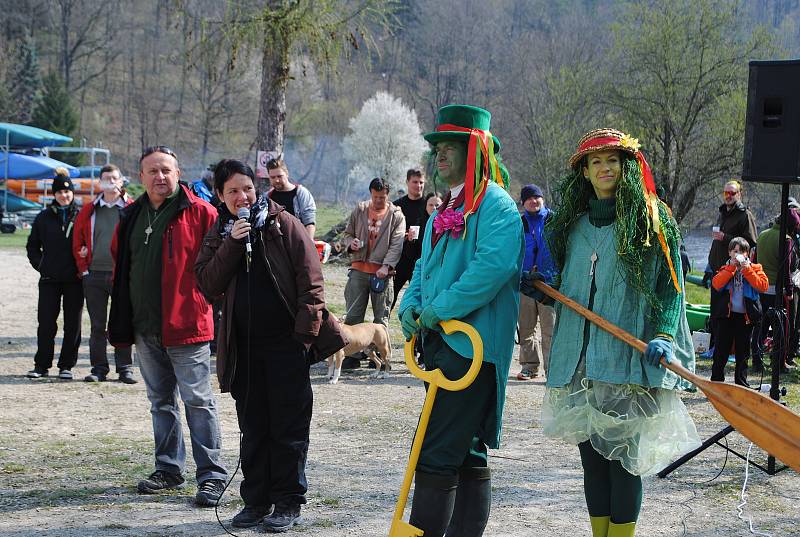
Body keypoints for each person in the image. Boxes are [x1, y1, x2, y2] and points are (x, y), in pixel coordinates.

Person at [522, 129, 700, 537]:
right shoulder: (572, 227)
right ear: (584, 172)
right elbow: (575, 294)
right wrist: (545, 294)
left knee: (623, 461)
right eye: (596, 161)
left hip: (627, 364)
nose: (604, 168)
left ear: (627, 167)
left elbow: (671, 289)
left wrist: (665, 336)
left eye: (612, 160)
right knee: (592, 462)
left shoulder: (652, 221)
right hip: (579, 363)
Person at [195, 159, 345, 531]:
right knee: (254, 427)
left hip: (286, 346)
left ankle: (288, 502)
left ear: (256, 187)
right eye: (232, 191)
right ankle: (256, 502)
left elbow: (312, 284)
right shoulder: (220, 233)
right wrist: (232, 244)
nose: (241, 196)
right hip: (244, 350)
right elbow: (207, 284)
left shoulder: (284, 223)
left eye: (246, 188)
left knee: (288, 428)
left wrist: (304, 337)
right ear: (220, 196)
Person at [398, 104, 523, 537]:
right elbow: (421, 268)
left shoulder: (498, 207)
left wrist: (439, 309)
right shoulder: (439, 211)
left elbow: (492, 269)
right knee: (467, 450)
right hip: (441, 344)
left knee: (433, 452)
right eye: (438, 150)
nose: (441, 157)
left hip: (473, 347)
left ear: (477, 152)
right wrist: (409, 306)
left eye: (452, 148)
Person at [107, 146, 228, 507]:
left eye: (166, 171)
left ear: (178, 173)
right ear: (140, 176)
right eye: (152, 171)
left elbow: (221, 265)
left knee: (198, 401)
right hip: (146, 327)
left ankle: (211, 476)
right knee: (160, 402)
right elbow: (120, 262)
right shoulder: (131, 216)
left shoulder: (202, 213)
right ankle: (169, 469)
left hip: (188, 326)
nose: (160, 177)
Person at [72, 164, 137, 383]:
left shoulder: (131, 208)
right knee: (97, 326)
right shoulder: (89, 210)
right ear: (100, 182)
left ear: (121, 181)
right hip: (95, 275)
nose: (110, 181)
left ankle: (125, 368)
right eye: (106, 177)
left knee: (122, 321)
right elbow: (77, 241)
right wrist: (84, 269)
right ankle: (99, 368)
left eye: (114, 178)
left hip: (121, 276)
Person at [340, 177, 405, 369]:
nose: (379, 201)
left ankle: (380, 358)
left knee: (381, 318)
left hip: (382, 274)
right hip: (359, 270)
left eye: (383, 197)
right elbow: (347, 234)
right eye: (376, 197)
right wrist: (350, 243)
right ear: (370, 194)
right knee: (352, 317)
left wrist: (387, 266)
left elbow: (397, 243)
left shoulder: (396, 216)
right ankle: (352, 354)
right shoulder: (359, 210)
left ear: (388, 195)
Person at [25, 170, 83, 380]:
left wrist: (82, 266)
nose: (63, 195)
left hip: (74, 280)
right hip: (49, 279)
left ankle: (66, 365)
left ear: (72, 193)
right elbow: (32, 246)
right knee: (47, 323)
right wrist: (41, 266)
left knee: (73, 324)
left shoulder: (82, 215)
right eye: (59, 192)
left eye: (67, 191)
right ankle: (41, 365)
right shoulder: (44, 217)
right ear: (54, 194)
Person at [710, 237, 768, 387]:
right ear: (729, 253)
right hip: (727, 316)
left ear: (747, 254)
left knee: (743, 352)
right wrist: (731, 269)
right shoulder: (725, 268)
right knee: (721, 349)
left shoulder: (755, 268)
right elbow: (716, 284)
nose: (738, 254)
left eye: (742, 251)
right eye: (735, 251)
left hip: (745, 317)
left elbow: (763, 286)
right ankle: (716, 381)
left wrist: (747, 269)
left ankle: (741, 383)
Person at [516, 183, 557, 381]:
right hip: (525, 282)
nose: (534, 201)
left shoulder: (554, 220)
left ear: (542, 199)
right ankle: (529, 366)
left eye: (536, 197)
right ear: (523, 203)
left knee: (550, 328)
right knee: (526, 327)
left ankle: (552, 370)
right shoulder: (518, 223)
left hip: (549, 282)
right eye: (529, 199)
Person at [752, 207, 800, 373]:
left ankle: (757, 362)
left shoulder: (763, 234)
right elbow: (786, 268)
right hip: (777, 291)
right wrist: (789, 289)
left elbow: (755, 260)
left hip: (760, 288)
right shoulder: (785, 239)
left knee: (761, 328)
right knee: (781, 329)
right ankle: (778, 363)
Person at [391, 168, 428, 310]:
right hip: (400, 259)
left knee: (420, 298)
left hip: (420, 260)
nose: (418, 186)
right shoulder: (397, 206)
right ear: (407, 182)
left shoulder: (429, 206)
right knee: (390, 297)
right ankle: (382, 326)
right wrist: (403, 236)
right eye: (415, 182)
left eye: (421, 182)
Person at [266, 158, 316, 238]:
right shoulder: (267, 197)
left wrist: (307, 246)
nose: (277, 180)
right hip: (276, 245)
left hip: (297, 240)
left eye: (279, 176)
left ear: (287, 174)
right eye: (273, 177)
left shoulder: (301, 193)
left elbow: (309, 223)